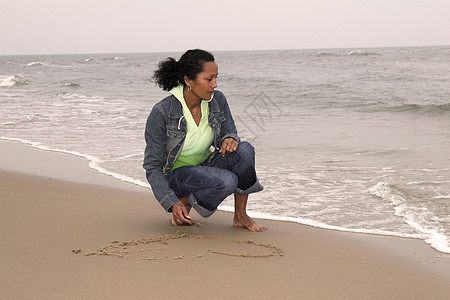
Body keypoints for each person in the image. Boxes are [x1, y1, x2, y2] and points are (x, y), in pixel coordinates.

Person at [143, 49, 266, 232]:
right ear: (188, 81)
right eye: (209, 79)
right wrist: (171, 202)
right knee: (227, 181)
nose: (214, 85)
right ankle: (184, 204)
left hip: (205, 166)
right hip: (177, 177)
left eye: (216, 78)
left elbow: (229, 131)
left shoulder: (217, 100)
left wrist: (230, 138)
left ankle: (240, 215)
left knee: (245, 149)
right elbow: (152, 166)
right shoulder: (162, 112)